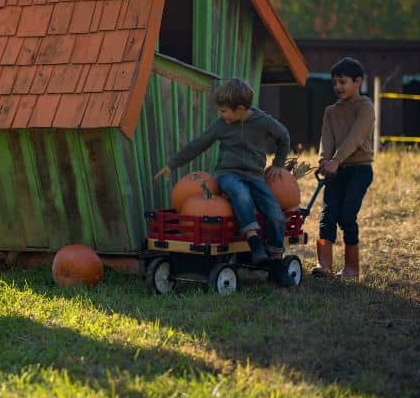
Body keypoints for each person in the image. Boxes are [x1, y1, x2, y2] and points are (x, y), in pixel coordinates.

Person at [154, 77, 293, 286]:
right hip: (229, 174)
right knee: (240, 194)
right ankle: (253, 240)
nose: (221, 115)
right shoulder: (222, 125)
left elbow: (284, 137)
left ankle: (275, 262)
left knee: (275, 212)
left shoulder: (263, 122)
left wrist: (278, 164)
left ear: (240, 108)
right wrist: (173, 164)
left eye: (224, 111)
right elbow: (199, 143)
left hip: (255, 175)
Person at [314, 57, 375, 279]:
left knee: (347, 215)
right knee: (328, 215)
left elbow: (355, 137)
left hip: (359, 169)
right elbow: (326, 139)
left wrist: (336, 160)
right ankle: (324, 265)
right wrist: (324, 160)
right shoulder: (331, 111)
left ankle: (351, 268)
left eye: (342, 82)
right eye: (335, 83)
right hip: (335, 171)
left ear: (358, 82)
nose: (337, 87)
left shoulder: (366, 107)